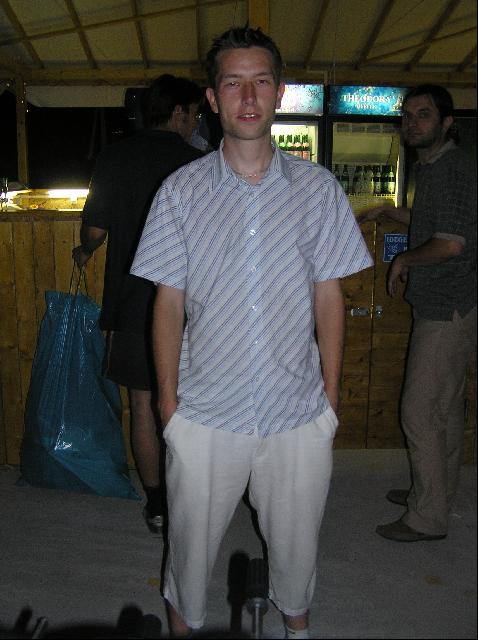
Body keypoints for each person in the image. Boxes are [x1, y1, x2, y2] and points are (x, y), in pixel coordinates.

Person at [131, 26, 372, 638]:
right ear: (213, 98)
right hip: (206, 413)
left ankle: (298, 631)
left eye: (260, 81)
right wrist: (168, 407)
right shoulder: (180, 193)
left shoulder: (318, 190)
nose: (247, 96)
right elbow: (167, 303)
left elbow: (329, 296)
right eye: (233, 83)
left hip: (297, 412)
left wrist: (330, 400)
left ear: (278, 92)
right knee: (188, 558)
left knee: (297, 554)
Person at [72, 74, 204, 534]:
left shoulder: (115, 157)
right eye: (194, 113)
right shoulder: (201, 164)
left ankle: (157, 504)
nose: (196, 122)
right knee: (193, 406)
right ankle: (191, 498)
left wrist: (85, 250)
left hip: (132, 306)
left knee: (144, 404)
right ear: (178, 113)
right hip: (192, 309)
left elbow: (94, 231)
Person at [358, 85, 477, 543]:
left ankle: (427, 517)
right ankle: (436, 495)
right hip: (451, 302)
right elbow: (437, 224)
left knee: (419, 410)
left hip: (448, 305)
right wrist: (391, 212)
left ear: (447, 123)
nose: (411, 122)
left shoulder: (451, 170)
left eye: (423, 114)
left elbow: (451, 244)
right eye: (407, 115)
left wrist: (405, 258)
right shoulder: (436, 168)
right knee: (443, 407)